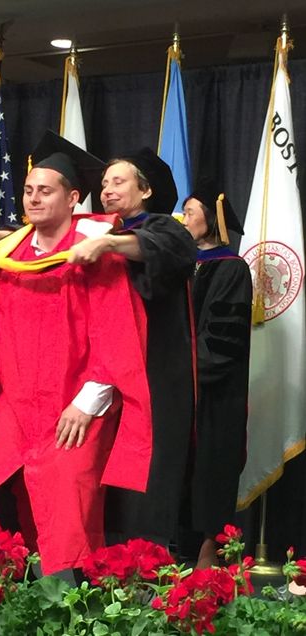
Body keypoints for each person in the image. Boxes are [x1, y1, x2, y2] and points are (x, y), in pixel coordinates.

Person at [0, 148, 197, 551]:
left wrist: (109, 245)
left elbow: (164, 249)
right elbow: (48, 233)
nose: (106, 190)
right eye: (104, 182)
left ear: (146, 191)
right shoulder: (93, 231)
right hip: (96, 373)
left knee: (139, 486)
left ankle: (136, 579)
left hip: (149, 373)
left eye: (118, 181)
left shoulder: (163, 229)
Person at [0, 131, 153, 576]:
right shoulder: (13, 258)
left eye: (45, 191)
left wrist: (86, 404)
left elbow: (116, 338)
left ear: (73, 197)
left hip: (75, 403)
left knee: (68, 498)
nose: (33, 199)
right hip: (17, 407)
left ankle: (69, 604)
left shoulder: (97, 256)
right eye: (27, 191)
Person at [180, 180, 252, 568]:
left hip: (214, 392)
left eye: (189, 211)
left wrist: (186, 373)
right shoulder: (181, 263)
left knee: (212, 464)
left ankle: (211, 550)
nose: (183, 217)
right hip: (180, 389)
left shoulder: (231, 268)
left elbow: (224, 340)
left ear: (211, 219)